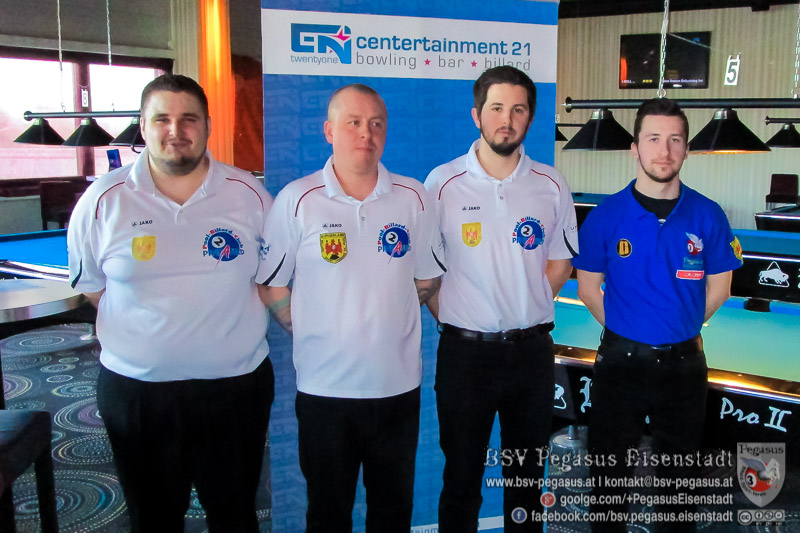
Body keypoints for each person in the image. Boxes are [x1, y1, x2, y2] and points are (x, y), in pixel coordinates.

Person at [67, 74, 274, 533]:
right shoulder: (102, 201)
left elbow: (268, 279)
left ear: (208, 126)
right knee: (154, 520)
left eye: (189, 119)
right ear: (143, 126)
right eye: (162, 119)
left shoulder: (250, 195)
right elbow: (93, 288)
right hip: (138, 393)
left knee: (236, 517)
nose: (175, 130)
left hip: (235, 389)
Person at [257, 84, 444, 533]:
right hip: (324, 392)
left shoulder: (414, 197)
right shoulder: (297, 199)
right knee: (327, 513)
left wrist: (386, 317)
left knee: (392, 512)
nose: (366, 133)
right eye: (353, 123)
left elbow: (427, 279)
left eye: (376, 124)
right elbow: (271, 283)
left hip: (397, 388)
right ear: (329, 131)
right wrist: (308, 326)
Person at [572, 98, 743, 532]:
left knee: (679, 492)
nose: (664, 151)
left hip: (685, 369)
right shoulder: (605, 216)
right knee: (608, 487)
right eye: (653, 139)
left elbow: (721, 289)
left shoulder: (708, 214)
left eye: (674, 140)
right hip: (618, 366)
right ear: (635, 148)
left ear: (686, 149)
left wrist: (678, 326)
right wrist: (632, 330)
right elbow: (588, 289)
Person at [424, 65, 578, 533]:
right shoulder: (441, 184)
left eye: (518, 109)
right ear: (477, 115)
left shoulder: (551, 184)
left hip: (531, 356)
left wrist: (522, 305)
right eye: (496, 108)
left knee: (526, 483)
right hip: (464, 357)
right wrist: (460, 317)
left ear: (530, 117)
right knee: (461, 480)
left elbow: (559, 264)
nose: (506, 120)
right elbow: (427, 272)